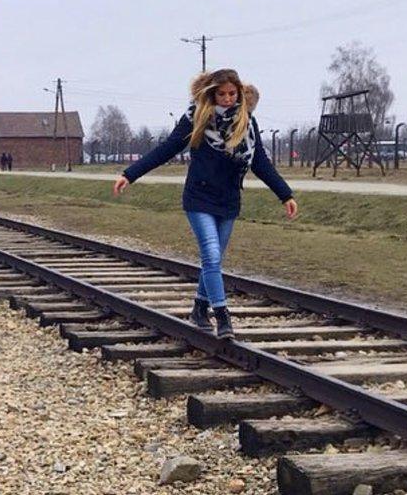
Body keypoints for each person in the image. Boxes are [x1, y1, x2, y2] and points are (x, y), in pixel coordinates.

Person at [112, 69, 297, 339]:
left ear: (239, 93)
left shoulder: (246, 123)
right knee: (211, 255)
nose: (227, 99)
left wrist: (285, 195)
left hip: (229, 199)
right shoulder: (196, 118)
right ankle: (222, 317)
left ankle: (199, 308)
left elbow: (260, 163)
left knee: (214, 260)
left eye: (232, 93)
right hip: (199, 197)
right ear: (212, 93)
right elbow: (167, 148)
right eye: (221, 94)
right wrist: (130, 174)